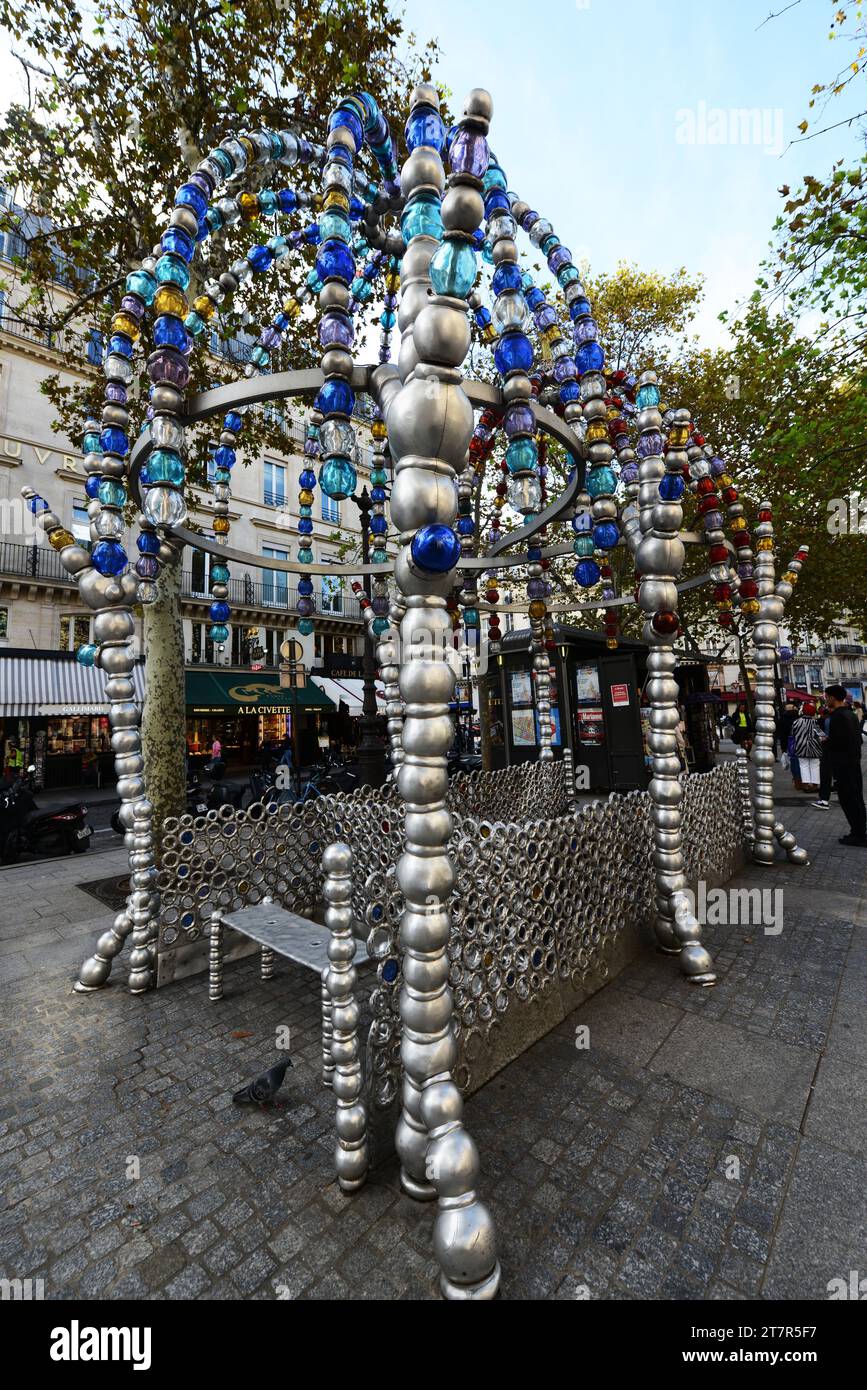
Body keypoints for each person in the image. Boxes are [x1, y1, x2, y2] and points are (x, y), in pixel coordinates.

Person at [823, 684, 867, 847]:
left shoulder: (838, 717)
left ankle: (859, 834)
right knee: (856, 799)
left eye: (827, 697)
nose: (826, 700)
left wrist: (826, 742)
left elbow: (839, 742)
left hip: (844, 764)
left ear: (833, 698)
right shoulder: (851, 714)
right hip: (853, 763)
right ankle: (858, 831)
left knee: (849, 799)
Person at [791, 701, 822, 791]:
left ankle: (806, 785)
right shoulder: (815, 723)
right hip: (815, 748)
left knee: (803, 766)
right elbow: (821, 736)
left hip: (801, 747)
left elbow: (792, 734)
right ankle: (815, 785)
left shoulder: (796, 722)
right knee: (815, 765)